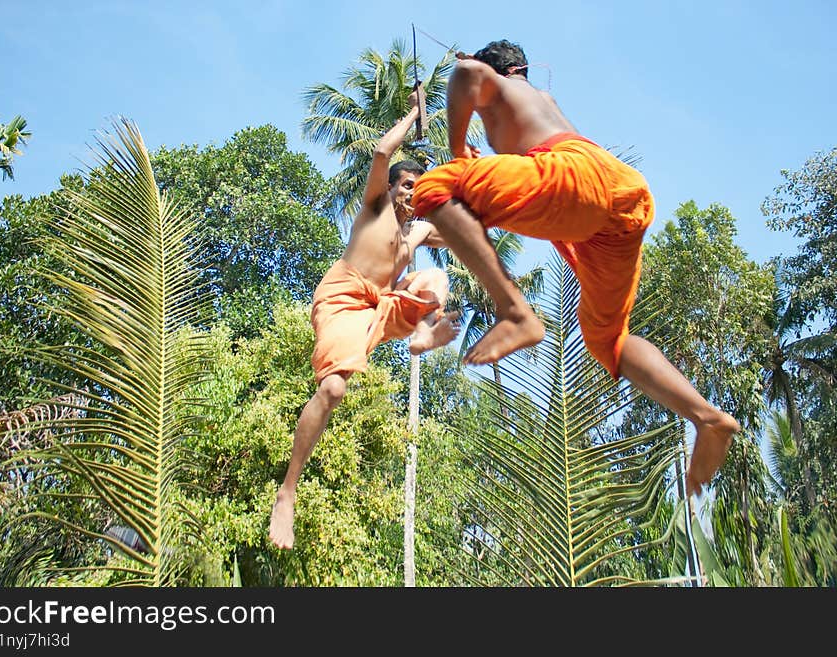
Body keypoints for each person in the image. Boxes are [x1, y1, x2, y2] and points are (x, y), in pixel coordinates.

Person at [410, 40, 739, 496]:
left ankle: (516, 313)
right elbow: (486, 202)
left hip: (573, 179)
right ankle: (707, 417)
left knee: (431, 188)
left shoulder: (498, 87)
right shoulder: (541, 102)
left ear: (503, 72)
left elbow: (465, 74)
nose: (482, 123)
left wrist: (455, 148)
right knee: (608, 340)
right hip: (619, 200)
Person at [269, 88, 459, 549]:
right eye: (406, 185)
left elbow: (464, 229)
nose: (411, 193)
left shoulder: (418, 232)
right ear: (391, 188)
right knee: (333, 388)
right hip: (342, 298)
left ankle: (423, 333)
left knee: (434, 277)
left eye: (418, 188)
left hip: (382, 303)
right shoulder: (374, 209)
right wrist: (415, 111)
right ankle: (287, 493)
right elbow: (381, 150)